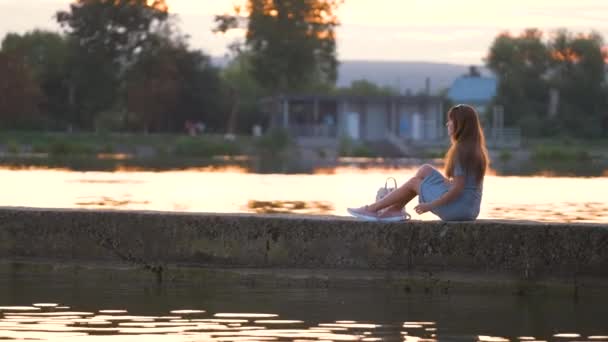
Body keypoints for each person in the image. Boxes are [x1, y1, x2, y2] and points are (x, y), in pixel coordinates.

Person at [347, 104, 489, 222]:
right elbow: (463, 186)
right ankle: (395, 210)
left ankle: (372, 209)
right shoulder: (475, 149)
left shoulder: (461, 151)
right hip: (469, 210)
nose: (447, 124)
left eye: (451, 121)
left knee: (414, 182)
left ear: (460, 125)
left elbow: (457, 189)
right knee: (425, 169)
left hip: (457, 210)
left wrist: (430, 205)